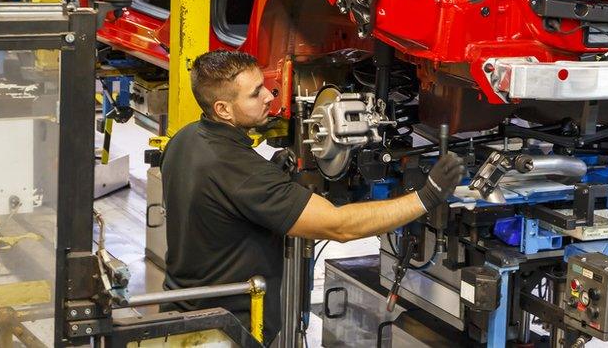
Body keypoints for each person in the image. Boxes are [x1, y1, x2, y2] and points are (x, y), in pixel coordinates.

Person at [159, 50, 464, 344]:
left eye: (264, 85)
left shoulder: (184, 139)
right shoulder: (242, 172)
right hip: (223, 332)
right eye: (255, 93)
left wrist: (272, 175)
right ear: (223, 109)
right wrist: (426, 196)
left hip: (180, 316)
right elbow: (339, 226)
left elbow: (219, 202)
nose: (270, 96)